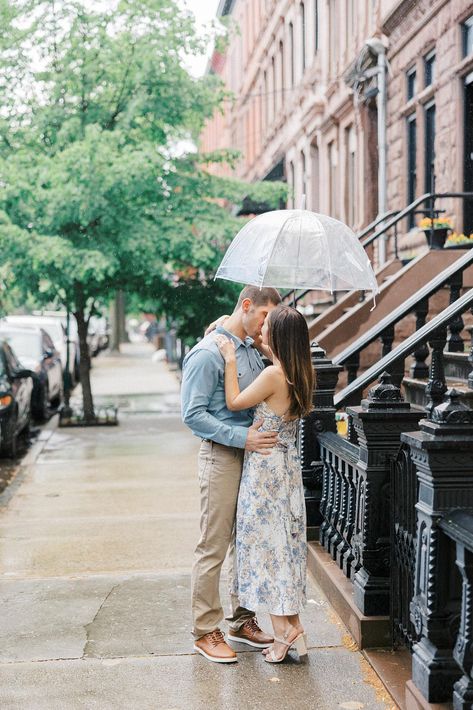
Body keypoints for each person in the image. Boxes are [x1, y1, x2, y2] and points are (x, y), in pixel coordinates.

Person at [181, 285, 282, 663]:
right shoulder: (207, 353)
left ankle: (242, 619)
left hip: (252, 458)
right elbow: (193, 414)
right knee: (214, 544)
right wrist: (242, 437)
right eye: (263, 317)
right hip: (223, 456)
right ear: (246, 306)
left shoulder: (253, 350)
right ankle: (205, 630)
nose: (266, 325)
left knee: (247, 542)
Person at [214, 304, 314, 663]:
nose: (261, 329)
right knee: (282, 549)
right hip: (286, 471)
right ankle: (293, 625)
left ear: (278, 336)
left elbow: (234, 400)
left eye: (267, 326)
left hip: (266, 474)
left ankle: (284, 632)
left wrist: (229, 357)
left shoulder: (274, 375)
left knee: (266, 550)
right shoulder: (300, 371)